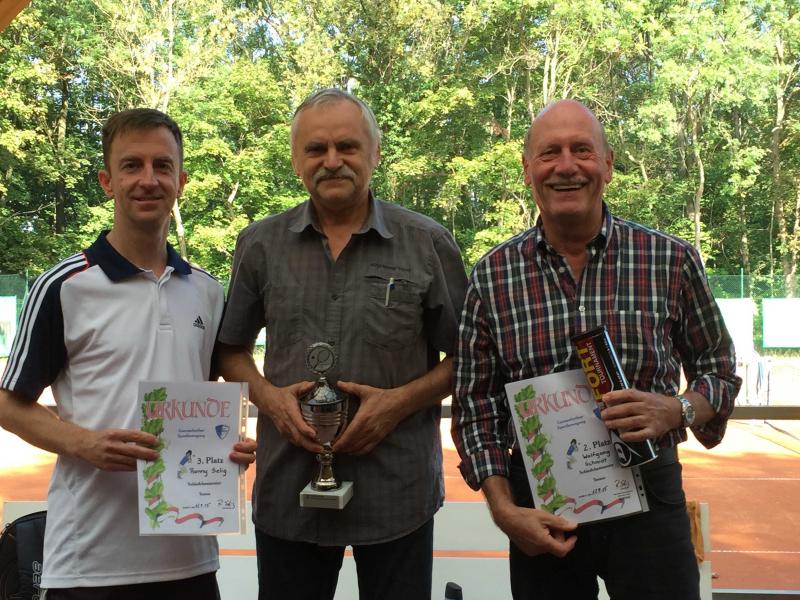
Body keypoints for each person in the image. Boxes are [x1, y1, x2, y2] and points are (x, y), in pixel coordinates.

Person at [451, 99, 741, 600]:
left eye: (582, 150)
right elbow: (476, 405)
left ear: (607, 164)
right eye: (549, 153)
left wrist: (676, 409)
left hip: (651, 496)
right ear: (527, 170)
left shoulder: (669, 259)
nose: (566, 166)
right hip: (543, 505)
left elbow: (719, 369)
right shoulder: (492, 276)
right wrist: (504, 509)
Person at [216, 88, 467, 600]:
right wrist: (270, 399)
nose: (332, 161)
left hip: (396, 491)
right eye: (316, 149)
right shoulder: (260, 244)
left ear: (375, 153)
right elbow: (230, 350)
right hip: (289, 491)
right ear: (296, 160)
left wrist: (398, 404)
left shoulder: (427, 242)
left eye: (347, 146)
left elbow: (469, 357)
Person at [0, 108, 256, 599]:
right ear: (107, 181)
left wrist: (226, 448)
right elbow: (9, 404)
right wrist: (83, 443)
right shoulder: (65, 285)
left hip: (190, 558)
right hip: (88, 564)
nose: (148, 179)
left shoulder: (207, 291)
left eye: (163, 166)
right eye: (132, 165)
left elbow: (199, 405)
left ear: (180, 182)